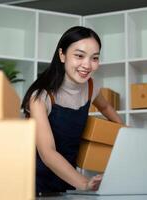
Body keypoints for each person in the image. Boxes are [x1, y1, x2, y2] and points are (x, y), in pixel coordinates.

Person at [21, 26, 123, 196]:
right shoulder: (40, 97)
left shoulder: (91, 86)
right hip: (33, 181)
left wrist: (125, 131)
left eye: (95, 58)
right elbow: (47, 152)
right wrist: (84, 182)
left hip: (65, 179)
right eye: (79, 56)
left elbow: (105, 107)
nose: (87, 65)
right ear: (62, 55)